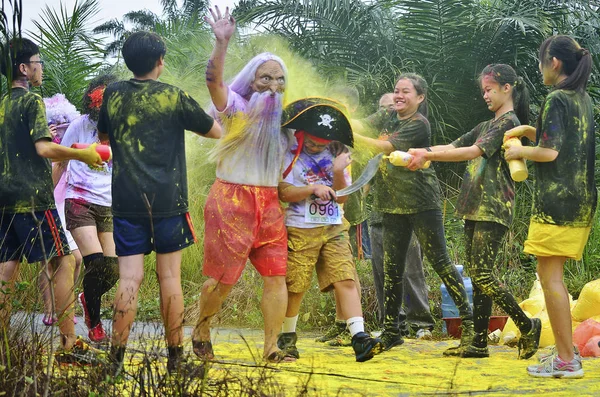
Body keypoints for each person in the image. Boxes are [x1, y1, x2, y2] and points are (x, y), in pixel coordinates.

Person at [97, 31, 221, 374]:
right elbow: (214, 131)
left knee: (129, 280)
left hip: (126, 201)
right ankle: (176, 360)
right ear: (160, 62)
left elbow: (103, 137)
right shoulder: (173, 96)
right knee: (170, 279)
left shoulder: (114, 93)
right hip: (168, 201)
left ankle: (115, 362)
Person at [408, 64, 542, 358]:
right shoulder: (486, 126)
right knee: (479, 275)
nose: (485, 95)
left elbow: (472, 152)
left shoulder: (510, 124)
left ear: (507, 88)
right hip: (474, 205)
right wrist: (418, 152)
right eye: (483, 90)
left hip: (493, 207)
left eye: (489, 89)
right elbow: (454, 145)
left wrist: (428, 155)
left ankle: (526, 324)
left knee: (482, 275)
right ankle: (478, 342)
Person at [191, 6, 294, 363]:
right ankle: (202, 328)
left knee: (276, 276)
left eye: (279, 80)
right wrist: (221, 44)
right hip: (230, 200)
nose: (273, 86)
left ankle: (271, 347)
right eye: (266, 78)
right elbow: (214, 83)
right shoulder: (235, 108)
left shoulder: (284, 121)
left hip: (269, 203)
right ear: (252, 81)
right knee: (224, 281)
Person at [0, 37, 103, 364]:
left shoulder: (2, 103)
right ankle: (69, 344)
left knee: (5, 269)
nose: (41, 68)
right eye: (38, 62)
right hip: (32, 196)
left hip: (5, 197)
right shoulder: (31, 102)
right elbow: (44, 149)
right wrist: (81, 153)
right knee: (65, 261)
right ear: (23, 68)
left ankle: (3, 346)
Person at [353, 73, 473, 353]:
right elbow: (364, 123)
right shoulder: (388, 114)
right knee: (392, 268)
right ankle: (393, 330)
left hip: (421, 203)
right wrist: (342, 116)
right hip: (390, 203)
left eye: (406, 92)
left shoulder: (419, 124)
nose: (399, 96)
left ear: (420, 98)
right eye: (396, 90)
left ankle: (469, 325)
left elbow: (384, 146)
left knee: (440, 262)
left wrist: (351, 136)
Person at [504, 36, 594, 378]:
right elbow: (562, 139)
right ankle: (565, 354)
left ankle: (566, 360)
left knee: (549, 278)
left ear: (554, 62)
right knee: (552, 277)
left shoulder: (556, 97)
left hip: (558, 203)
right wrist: (530, 130)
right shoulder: (580, 99)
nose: (540, 68)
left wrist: (519, 151)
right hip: (581, 201)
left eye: (542, 61)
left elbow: (550, 153)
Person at [276, 99, 383, 362]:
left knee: (345, 278)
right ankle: (287, 338)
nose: (316, 146)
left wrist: (337, 170)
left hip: (334, 225)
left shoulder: (338, 151)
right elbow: (284, 192)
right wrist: (312, 189)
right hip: (300, 226)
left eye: (322, 143)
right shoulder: (286, 150)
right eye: (312, 142)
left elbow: (343, 196)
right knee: (296, 285)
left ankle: (359, 338)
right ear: (301, 132)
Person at [55, 74, 119, 343]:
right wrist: (48, 200)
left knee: (113, 270)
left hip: (109, 204)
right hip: (79, 200)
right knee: (94, 261)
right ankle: (95, 320)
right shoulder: (80, 126)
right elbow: (60, 160)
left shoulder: (121, 128)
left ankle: (86, 298)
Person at [370, 92, 435, 339]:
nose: (388, 111)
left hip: (407, 207)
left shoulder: (411, 128)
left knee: (410, 267)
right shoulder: (378, 132)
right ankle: (392, 324)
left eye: (391, 106)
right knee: (381, 268)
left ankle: (421, 323)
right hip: (379, 208)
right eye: (383, 108)